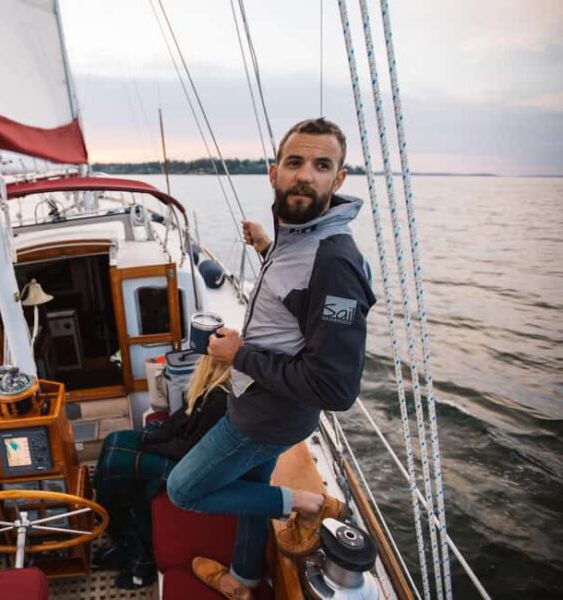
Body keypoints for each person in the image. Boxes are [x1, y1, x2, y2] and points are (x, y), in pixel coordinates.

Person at [166, 117, 377, 600]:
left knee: (184, 489)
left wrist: (240, 354)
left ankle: (308, 504)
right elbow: (295, 294)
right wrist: (265, 246)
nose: (305, 175)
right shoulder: (296, 235)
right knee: (250, 492)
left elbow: (336, 388)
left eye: (321, 165)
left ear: (339, 179)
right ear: (274, 172)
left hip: (265, 418)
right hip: (262, 403)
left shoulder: (335, 263)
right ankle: (242, 581)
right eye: (295, 162)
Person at [92, 355, 230, 589]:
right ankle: (118, 531)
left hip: (189, 464)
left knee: (114, 469)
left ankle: (140, 564)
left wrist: (153, 445)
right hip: (180, 446)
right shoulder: (208, 385)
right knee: (113, 441)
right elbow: (183, 417)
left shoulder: (221, 399)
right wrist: (156, 435)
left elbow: (193, 448)